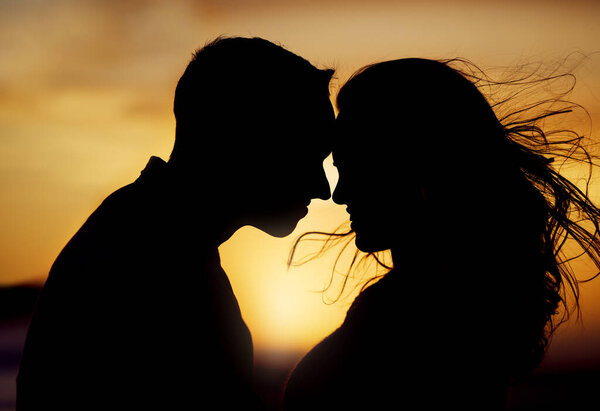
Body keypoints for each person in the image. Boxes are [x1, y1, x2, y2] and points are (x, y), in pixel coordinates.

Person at [17, 36, 334, 410]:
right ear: (243, 139)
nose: (322, 188)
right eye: (306, 156)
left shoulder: (148, 237)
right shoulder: (147, 260)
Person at [283, 58, 600, 410]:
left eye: (355, 169)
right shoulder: (469, 305)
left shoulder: (411, 321)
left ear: (409, 168)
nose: (338, 194)